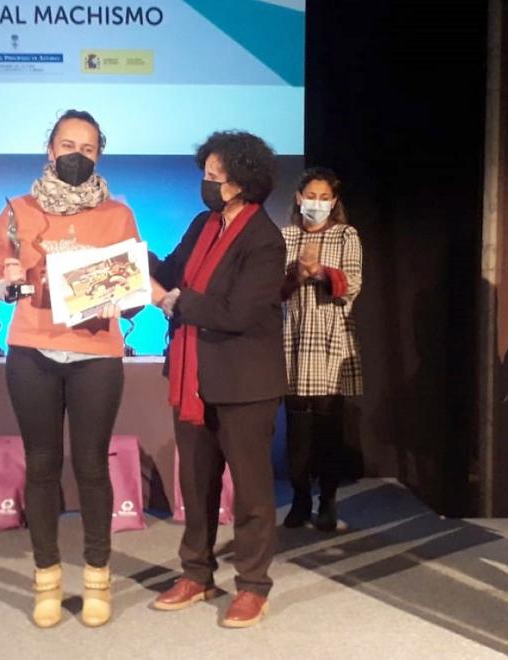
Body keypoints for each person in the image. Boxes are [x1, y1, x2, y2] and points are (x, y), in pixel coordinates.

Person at [0, 110, 140, 629]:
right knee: (42, 467)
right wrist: (4, 286)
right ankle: (46, 580)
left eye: (88, 148)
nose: (77, 155)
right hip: (32, 351)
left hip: (97, 354)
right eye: (68, 145)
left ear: (100, 156)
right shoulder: (16, 210)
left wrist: (127, 300)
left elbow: (131, 286)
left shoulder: (118, 214)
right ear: (50, 150)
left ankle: (97, 579)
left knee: (92, 467)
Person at [147, 130, 286, 628]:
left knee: (250, 491)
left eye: (215, 176)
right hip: (193, 375)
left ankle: (252, 585)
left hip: (245, 381)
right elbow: (170, 270)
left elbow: (237, 313)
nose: (206, 183)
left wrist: (174, 302)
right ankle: (197, 573)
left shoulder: (265, 239)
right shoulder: (202, 224)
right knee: (195, 483)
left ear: (242, 182)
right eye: (204, 173)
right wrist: (126, 254)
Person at [279, 167, 363, 531]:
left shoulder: (346, 235)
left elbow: (353, 283)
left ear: (334, 201)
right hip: (294, 337)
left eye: (324, 198)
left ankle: (327, 500)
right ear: (299, 198)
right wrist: (296, 274)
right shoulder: (285, 236)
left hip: (331, 336)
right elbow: (272, 288)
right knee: (297, 428)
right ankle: (300, 499)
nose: (317, 203)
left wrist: (318, 272)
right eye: (311, 196)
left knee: (328, 426)